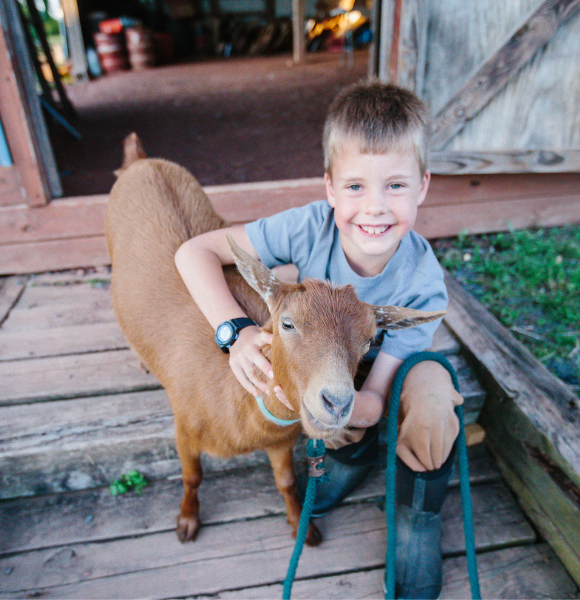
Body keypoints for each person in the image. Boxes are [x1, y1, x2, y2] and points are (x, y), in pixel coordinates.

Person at [176, 79, 464, 599]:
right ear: (330, 187)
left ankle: (417, 517)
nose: (374, 208)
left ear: (422, 186)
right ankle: (349, 462)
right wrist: (235, 333)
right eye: (356, 187)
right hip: (327, 361)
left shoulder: (422, 286)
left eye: (395, 186)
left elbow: (373, 399)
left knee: (433, 397)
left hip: (381, 372)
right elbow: (193, 253)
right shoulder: (310, 227)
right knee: (331, 391)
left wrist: (336, 407)